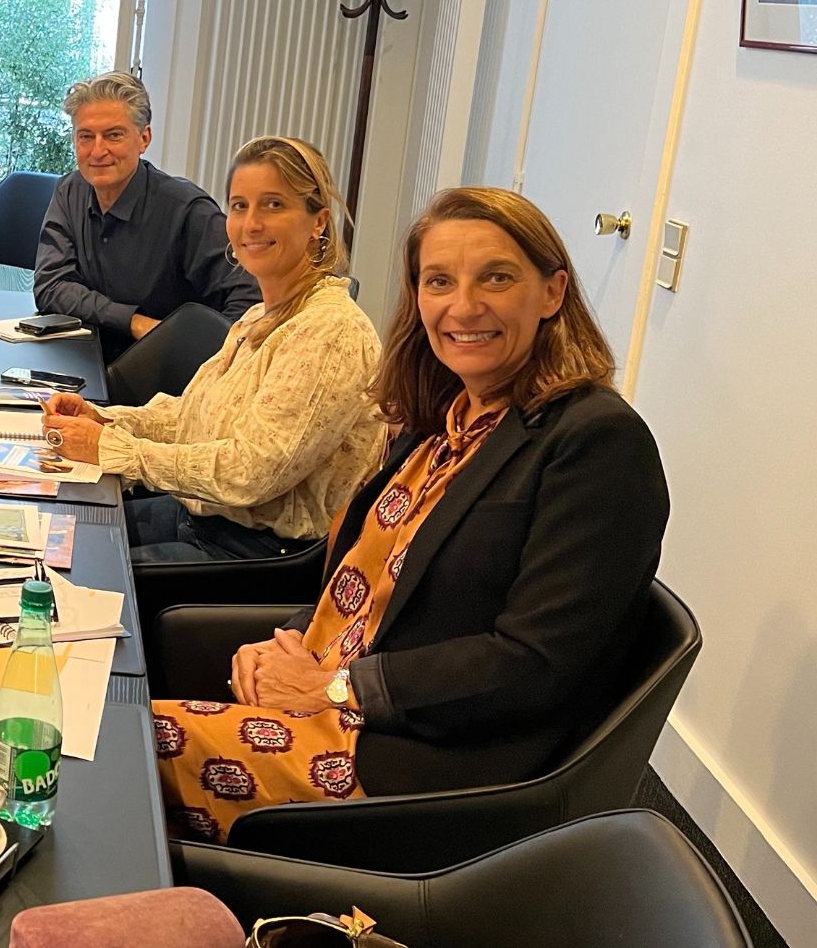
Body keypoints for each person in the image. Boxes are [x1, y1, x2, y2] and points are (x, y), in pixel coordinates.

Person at [147, 186, 668, 844]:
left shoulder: (596, 442)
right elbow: (365, 585)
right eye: (439, 281)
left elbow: (536, 663)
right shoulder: (440, 416)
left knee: (114, 754)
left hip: (412, 768)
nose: (464, 306)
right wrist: (287, 642)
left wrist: (338, 688)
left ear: (552, 292)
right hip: (328, 704)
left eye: (497, 278)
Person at [42, 137, 383, 561]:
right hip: (205, 519)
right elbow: (191, 417)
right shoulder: (260, 316)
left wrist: (112, 448)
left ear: (318, 222)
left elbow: (250, 472)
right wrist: (105, 418)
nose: (251, 224)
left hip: (255, 556)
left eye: (273, 205)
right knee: (51, 533)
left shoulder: (330, 330)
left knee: (77, 565)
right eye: (239, 206)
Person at [35, 72, 261, 362]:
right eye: (86, 137)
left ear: (144, 138)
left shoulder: (187, 210)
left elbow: (249, 297)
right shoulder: (70, 191)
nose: (98, 150)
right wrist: (133, 321)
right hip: (86, 357)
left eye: (114, 135)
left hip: (165, 371)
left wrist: (202, 358)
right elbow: (51, 286)